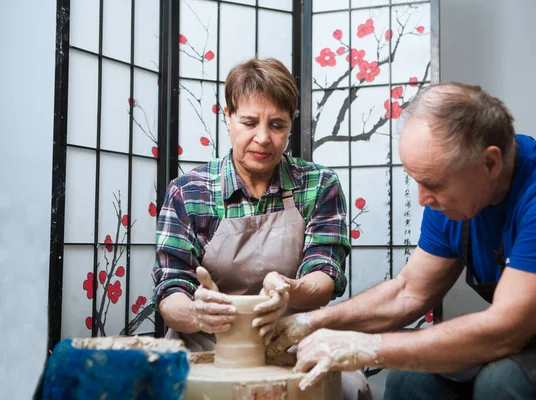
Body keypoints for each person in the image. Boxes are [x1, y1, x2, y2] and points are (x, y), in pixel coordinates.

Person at [267, 82, 536, 399]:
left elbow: (505, 330)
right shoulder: (457, 191)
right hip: (535, 332)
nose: (423, 198)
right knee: (412, 378)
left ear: (490, 162)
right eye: (417, 181)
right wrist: (310, 321)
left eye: (434, 184)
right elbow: (409, 292)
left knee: (504, 384)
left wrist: (363, 347)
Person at [152, 58, 374, 400]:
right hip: (206, 340)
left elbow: (324, 276)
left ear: (291, 125)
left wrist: (292, 289)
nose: (263, 138)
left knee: (350, 388)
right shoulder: (188, 191)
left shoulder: (318, 184)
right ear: (227, 117)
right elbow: (171, 291)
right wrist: (198, 312)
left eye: (277, 125)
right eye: (249, 122)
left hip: (290, 335)